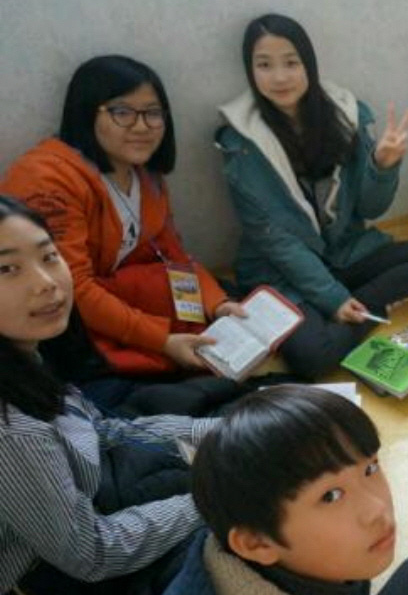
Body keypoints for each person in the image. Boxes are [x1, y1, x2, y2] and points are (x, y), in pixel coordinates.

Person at [0, 196, 214, 595]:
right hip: (44, 592)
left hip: (81, 502)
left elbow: (101, 428)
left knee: (217, 440)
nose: (46, 283)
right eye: (7, 269)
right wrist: (215, 499)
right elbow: (91, 554)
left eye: (48, 256)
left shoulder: (24, 356)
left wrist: (217, 432)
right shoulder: (13, 431)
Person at [142, 385, 408, 595]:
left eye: (370, 468)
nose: (377, 509)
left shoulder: (307, 565)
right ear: (256, 543)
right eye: (331, 495)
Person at [217, 13, 408, 379]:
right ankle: (367, 304)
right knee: (313, 359)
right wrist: (333, 299)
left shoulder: (345, 115)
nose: (280, 77)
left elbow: (371, 208)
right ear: (250, 71)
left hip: (345, 253)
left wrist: (383, 165)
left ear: (309, 64)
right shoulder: (241, 146)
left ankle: (362, 304)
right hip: (282, 271)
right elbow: (279, 244)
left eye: (291, 63)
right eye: (264, 65)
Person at [1, 55, 249, 414]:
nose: (142, 126)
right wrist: (163, 341)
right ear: (86, 112)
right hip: (73, 333)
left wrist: (215, 303)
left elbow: (173, 254)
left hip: (129, 309)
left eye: (153, 113)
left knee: (244, 334)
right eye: (122, 112)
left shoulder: (143, 171)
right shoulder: (47, 178)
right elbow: (75, 287)